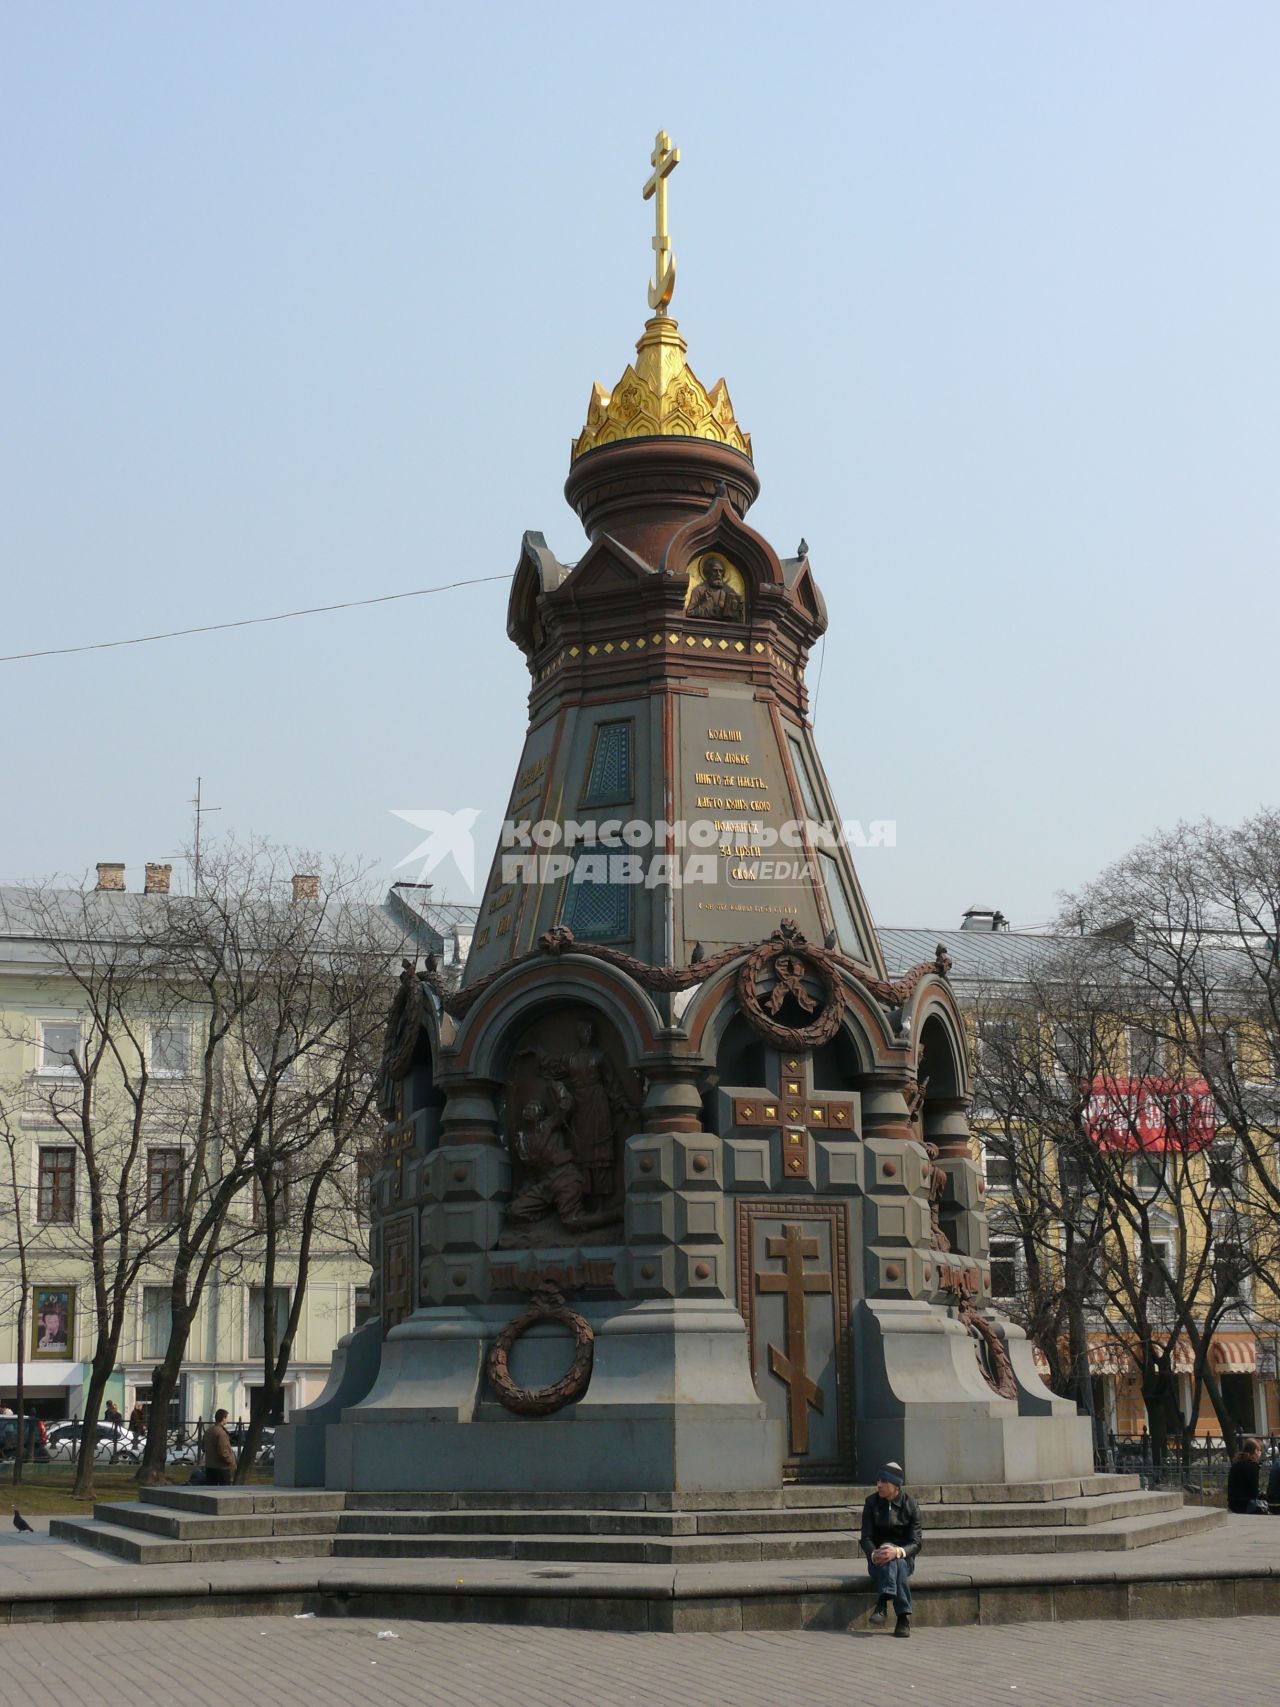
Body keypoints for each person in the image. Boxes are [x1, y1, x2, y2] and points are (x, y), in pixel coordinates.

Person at [859, 1463, 923, 1637]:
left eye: (884, 1481)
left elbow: (916, 1543)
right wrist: (874, 1553)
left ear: (896, 1485)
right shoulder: (871, 1503)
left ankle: (882, 1603)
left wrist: (897, 1552)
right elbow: (866, 1538)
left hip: (904, 1559)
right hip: (877, 1561)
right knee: (893, 1561)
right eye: (878, 1480)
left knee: (898, 1562)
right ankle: (903, 1618)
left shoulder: (911, 1505)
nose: (878, 1484)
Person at [1226, 1437, 1270, 1515]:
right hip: (1246, 1505)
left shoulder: (1236, 1464)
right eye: (1259, 1450)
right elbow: (1254, 1493)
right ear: (1255, 1451)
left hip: (1232, 1504)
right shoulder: (1253, 1466)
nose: (1260, 1453)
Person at [202, 1408, 237, 1487]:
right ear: (223, 1418)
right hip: (222, 1468)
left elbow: (203, 1448)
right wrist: (231, 1461)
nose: (227, 1420)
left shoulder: (208, 1431)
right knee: (224, 1491)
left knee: (210, 1491)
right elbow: (223, 1452)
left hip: (210, 1466)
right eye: (227, 1418)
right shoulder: (221, 1433)